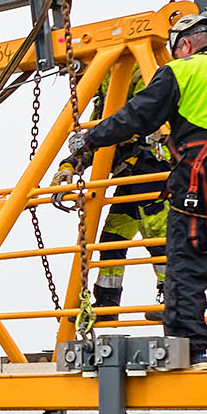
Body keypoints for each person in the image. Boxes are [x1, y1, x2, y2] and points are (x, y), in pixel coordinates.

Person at [66, 12, 207, 364]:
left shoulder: (182, 71)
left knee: (187, 268)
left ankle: (190, 351)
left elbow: (136, 117)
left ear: (185, 44)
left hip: (199, 181)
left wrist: (89, 139)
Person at [57, 66, 170, 321]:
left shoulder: (137, 77)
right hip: (130, 177)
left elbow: (138, 123)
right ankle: (107, 303)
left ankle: (173, 299)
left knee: (158, 236)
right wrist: (68, 167)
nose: (76, 83)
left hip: (153, 171)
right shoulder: (106, 98)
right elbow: (98, 141)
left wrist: (92, 140)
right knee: (112, 239)